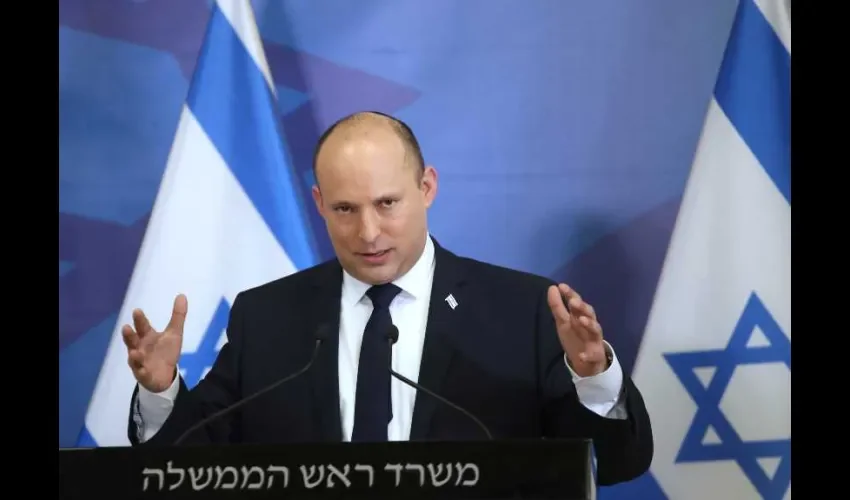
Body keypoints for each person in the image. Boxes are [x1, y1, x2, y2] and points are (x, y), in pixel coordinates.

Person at [122, 111, 653, 485]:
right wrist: (163, 390)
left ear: (426, 188)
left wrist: (591, 377)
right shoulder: (268, 317)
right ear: (319, 203)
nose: (369, 233)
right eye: (346, 209)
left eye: (387, 203)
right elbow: (195, 468)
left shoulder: (522, 309)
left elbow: (614, 464)